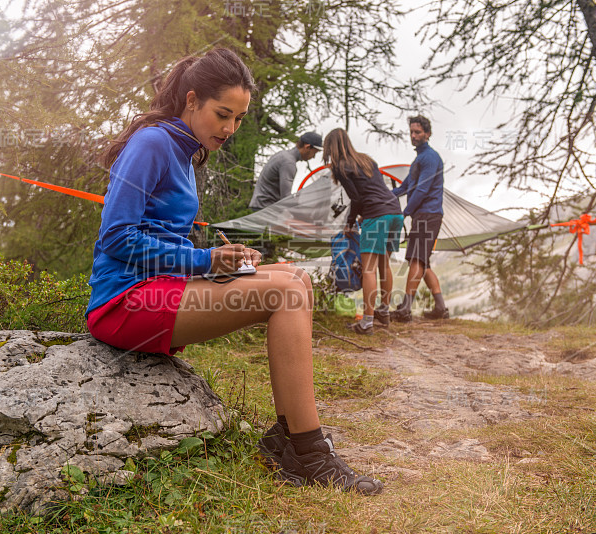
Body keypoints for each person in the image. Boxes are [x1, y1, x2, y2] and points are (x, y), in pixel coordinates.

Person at [86, 48, 382, 495]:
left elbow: (162, 237)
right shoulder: (152, 143)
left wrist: (220, 261)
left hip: (161, 291)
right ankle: (308, 453)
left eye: (240, 118)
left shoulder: (183, 152)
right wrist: (204, 261)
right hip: (124, 303)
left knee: (295, 277)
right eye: (223, 114)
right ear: (191, 101)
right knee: (286, 291)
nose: (230, 128)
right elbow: (116, 238)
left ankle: (290, 439)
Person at [323, 128, 402, 335]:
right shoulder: (366, 160)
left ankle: (367, 322)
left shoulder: (341, 166)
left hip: (376, 215)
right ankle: (383, 312)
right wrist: (362, 214)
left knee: (368, 269)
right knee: (384, 264)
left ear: (330, 147)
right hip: (395, 212)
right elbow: (371, 192)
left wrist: (350, 222)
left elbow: (356, 198)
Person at [391, 115, 449, 322]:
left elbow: (422, 189)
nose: (413, 136)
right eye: (411, 132)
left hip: (428, 214)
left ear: (427, 134)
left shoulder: (430, 158)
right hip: (425, 215)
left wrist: (404, 213)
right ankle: (441, 308)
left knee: (416, 259)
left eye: (418, 132)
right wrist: (382, 196)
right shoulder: (419, 159)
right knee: (424, 263)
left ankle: (405, 308)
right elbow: (404, 187)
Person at [248, 131, 323, 210]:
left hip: (261, 205)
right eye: (314, 153)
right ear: (307, 147)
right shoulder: (288, 163)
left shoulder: (283, 155)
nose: (314, 157)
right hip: (264, 208)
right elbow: (286, 197)